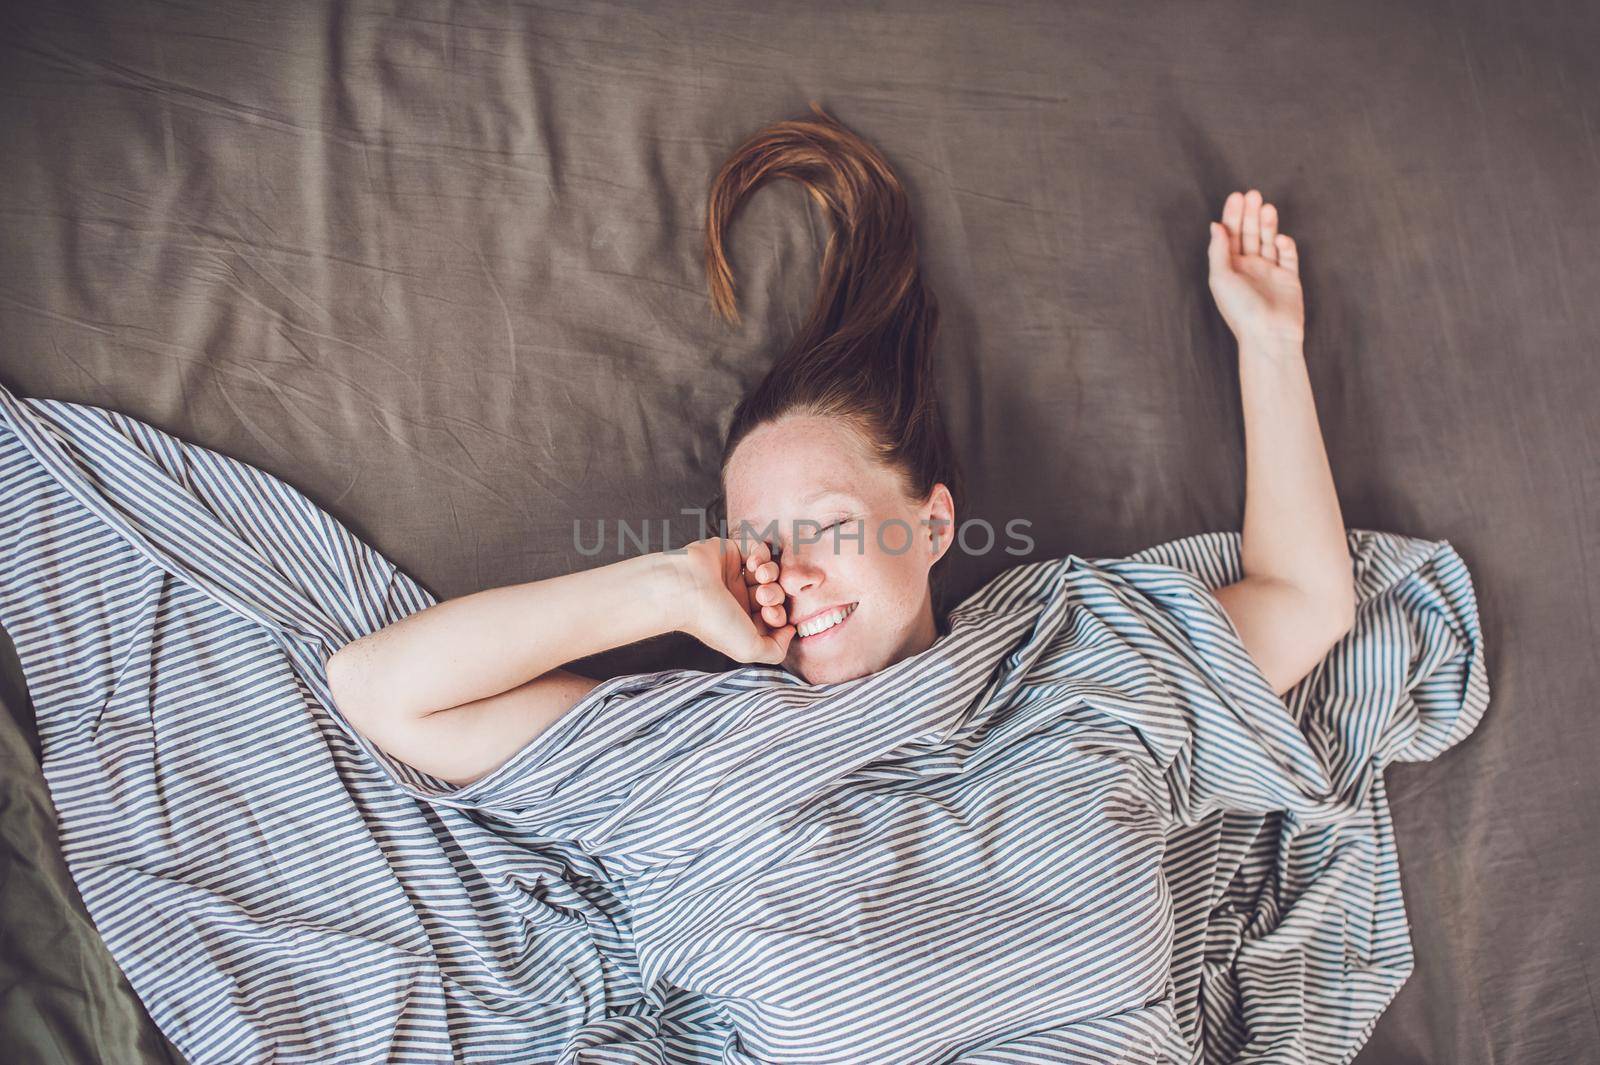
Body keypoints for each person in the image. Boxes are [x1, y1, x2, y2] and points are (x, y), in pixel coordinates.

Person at [326, 102, 1353, 794]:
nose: (796, 574)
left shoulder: (1075, 671)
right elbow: (381, 695)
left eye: (827, 526)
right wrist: (665, 593)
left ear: (934, 521)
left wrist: (1268, 345)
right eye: (763, 545)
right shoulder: (700, 743)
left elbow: (1307, 602)